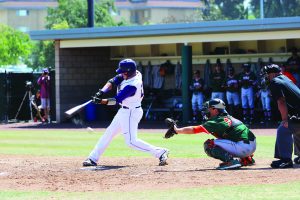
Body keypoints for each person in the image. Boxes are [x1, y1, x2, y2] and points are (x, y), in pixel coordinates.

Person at [82, 58, 169, 167]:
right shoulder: (135, 73)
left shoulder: (132, 85)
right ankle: (92, 158)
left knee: (131, 142)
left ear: (128, 72)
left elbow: (114, 101)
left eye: (123, 72)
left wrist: (100, 101)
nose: (121, 74)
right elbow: (113, 81)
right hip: (124, 111)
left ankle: (160, 152)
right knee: (109, 133)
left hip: (131, 112)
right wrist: (101, 92)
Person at [166, 98, 256, 170]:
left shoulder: (217, 120)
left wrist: (176, 130)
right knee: (221, 140)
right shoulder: (227, 118)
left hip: (243, 146)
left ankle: (231, 162)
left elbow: (195, 129)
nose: (206, 111)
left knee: (209, 144)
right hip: (250, 145)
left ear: (215, 110)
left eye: (208, 109)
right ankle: (246, 158)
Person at [261, 64, 300, 168]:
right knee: (296, 130)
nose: (266, 77)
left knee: (283, 129)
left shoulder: (275, 82)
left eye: (267, 74)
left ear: (273, 74)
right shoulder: (285, 79)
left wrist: (285, 120)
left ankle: (286, 160)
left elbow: (281, 101)